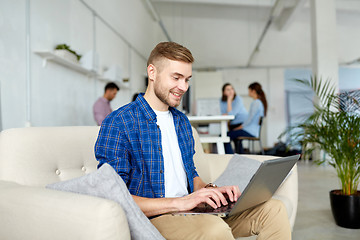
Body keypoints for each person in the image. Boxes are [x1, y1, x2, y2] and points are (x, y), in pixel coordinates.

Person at [95, 42, 290, 240]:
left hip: (193, 212)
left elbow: (191, 176)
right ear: (152, 73)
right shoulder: (119, 122)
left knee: (274, 209)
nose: (183, 87)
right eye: (176, 77)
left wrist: (211, 191)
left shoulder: (181, 122)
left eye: (187, 79)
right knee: (215, 231)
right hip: (156, 219)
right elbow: (115, 197)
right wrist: (180, 203)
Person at [225, 82, 268, 154]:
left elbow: (249, 120)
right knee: (233, 136)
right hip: (251, 130)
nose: (248, 92)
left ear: (253, 91)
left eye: (249, 90)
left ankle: (229, 157)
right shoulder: (259, 102)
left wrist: (239, 127)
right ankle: (239, 157)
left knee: (226, 136)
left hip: (250, 131)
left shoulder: (256, 103)